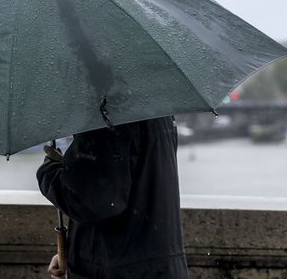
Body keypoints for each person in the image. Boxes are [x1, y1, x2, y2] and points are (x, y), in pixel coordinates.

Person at [37, 115, 189, 278]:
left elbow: (92, 201)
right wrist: (75, 253)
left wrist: (49, 171)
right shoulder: (156, 110)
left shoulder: (105, 111)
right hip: (158, 265)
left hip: (118, 269)